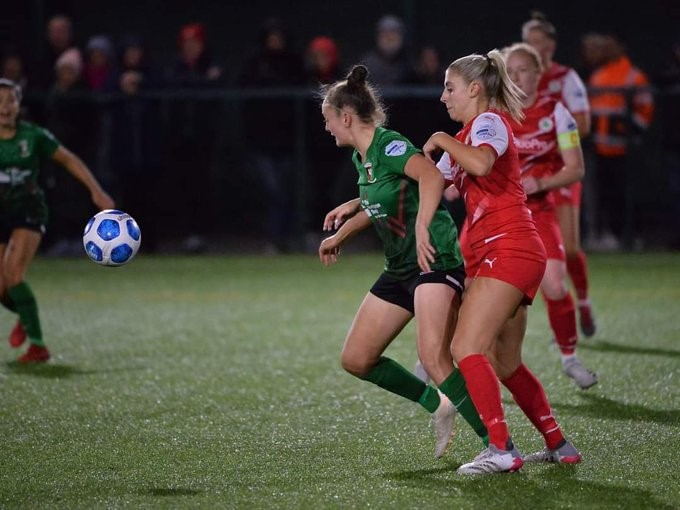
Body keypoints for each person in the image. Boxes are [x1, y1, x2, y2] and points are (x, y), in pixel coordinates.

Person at [318, 64, 488, 459]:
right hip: (400, 269)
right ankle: (438, 405)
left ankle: (495, 444)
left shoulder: (389, 145)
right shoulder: (364, 158)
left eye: (328, 120)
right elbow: (382, 201)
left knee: (435, 357)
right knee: (357, 359)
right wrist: (342, 232)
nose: (327, 128)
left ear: (346, 116)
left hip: (434, 261)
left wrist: (425, 226)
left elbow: (430, 177)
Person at [423, 50, 581, 473]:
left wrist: (440, 139)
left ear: (475, 89)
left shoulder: (486, 123)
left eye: (449, 87)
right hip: (513, 251)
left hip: (507, 248)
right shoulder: (467, 134)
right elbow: (429, 182)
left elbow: (480, 161)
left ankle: (501, 448)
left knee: (464, 347)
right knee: (505, 362)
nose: (443, 97)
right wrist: (363, 202)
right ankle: (558, 443)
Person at [503, 42, 597, 389]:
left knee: (555, 284)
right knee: (464, 286)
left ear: (537, 74)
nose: (515, 77)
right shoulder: (492, 113)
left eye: (523, 70)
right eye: (509, 71)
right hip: (496, 214)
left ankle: (570, 359)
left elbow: (575, 169)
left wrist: (539, 181)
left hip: (538, 212)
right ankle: (436, 360)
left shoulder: (558, 113)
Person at [0, 78, 114, 362]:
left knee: (14, 275)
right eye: (0, 101)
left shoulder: (33, 136)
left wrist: (96, 192)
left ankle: (38, 347)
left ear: (19, 104)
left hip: (29, 211)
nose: (5, 106)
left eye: (10, 100)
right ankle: (26, 318)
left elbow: (69, 159)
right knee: (2, 289)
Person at [521, 11, 597, 336]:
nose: (536, 49)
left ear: (551, 45)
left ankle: (582, 300)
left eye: (540, 43)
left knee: (570, 246)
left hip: (558, 170)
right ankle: (560, 325)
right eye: (529, 43)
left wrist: (548, 142)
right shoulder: (518, 78)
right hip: (526, 175)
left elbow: (583, 124)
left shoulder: (566, 78)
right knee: (538, 251)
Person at [238, 17, 307, 253]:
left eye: (279, 36)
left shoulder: (294, 63)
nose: (275, 41)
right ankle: (274, 238)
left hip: (288, 141)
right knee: (273, 192)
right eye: (271, 37)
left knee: (287, 191)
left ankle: (286, 238)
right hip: (261, 142)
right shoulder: (255, 63)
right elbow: (244, 98)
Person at [582, 32, 654, 249]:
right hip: (602, 148)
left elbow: (646, 111)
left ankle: (634, 236)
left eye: (612, 46)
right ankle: (610, 236)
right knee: (605, 194)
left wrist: (629, 132)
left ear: (622, 48)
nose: (608, 50)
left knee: (629, 194)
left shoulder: (634, 76)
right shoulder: (598, 75)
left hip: (627, 149)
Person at [359, 14, 411, 87]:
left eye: (393, 33)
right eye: (385, 33)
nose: (389, 38)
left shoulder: (409, 65)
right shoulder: (367, 64)